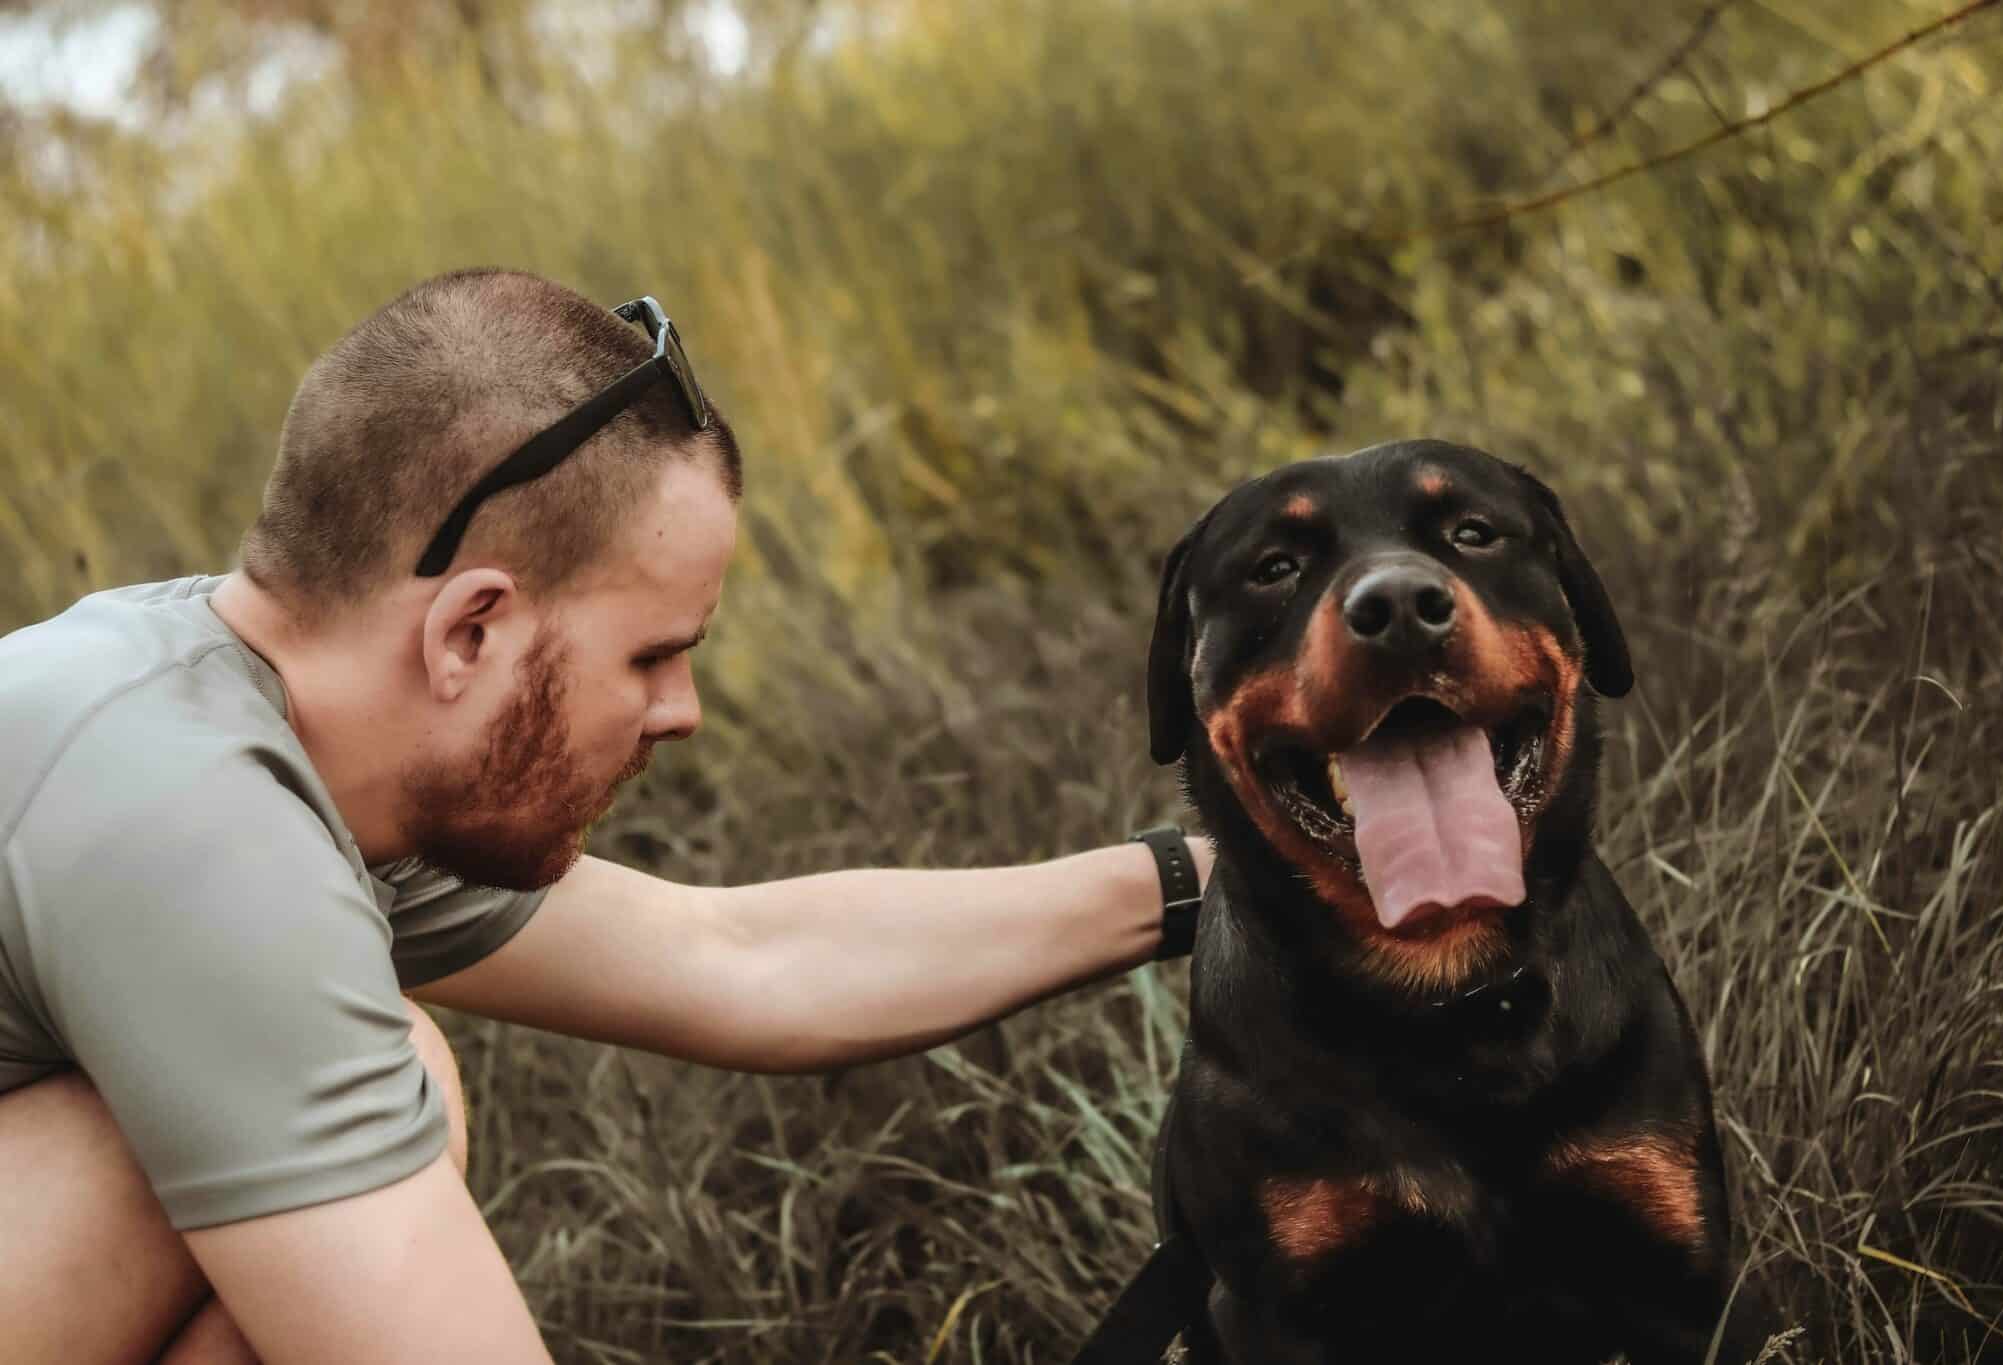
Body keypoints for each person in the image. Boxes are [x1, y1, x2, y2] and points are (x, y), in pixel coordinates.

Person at [0, 268, 1207, 1363]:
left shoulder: (260, 725)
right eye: (650, 655)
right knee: (233, 1122)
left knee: (360, 1081)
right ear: (470, 630)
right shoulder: (195, 839)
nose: (679, 711)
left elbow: (735, 958)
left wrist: (1203, 880)